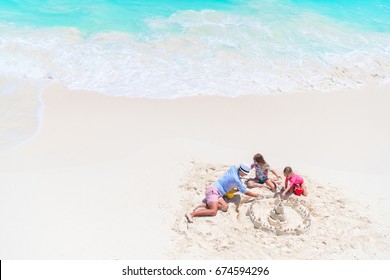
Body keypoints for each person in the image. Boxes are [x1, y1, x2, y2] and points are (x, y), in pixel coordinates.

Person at [185, 164, 260, 223]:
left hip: (217, 193)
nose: (246, 175)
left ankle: (206, 204)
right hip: (213, 191)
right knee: (213, 211)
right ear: (241, 171)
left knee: (225, 207)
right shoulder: (237, 180)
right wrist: (256, 195)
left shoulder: (233, 168)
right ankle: (191, 214)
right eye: (245, 173)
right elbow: (245, 191)